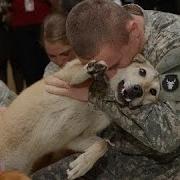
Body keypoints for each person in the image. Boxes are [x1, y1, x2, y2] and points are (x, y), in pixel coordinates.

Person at [42, 0, 180, 179]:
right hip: (110, 147)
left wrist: (95, 95)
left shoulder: (173, 47)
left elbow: (169, 137)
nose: (106, 74)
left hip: (162, 162)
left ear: (133, 31)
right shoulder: (103, 28)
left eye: (113, 64)